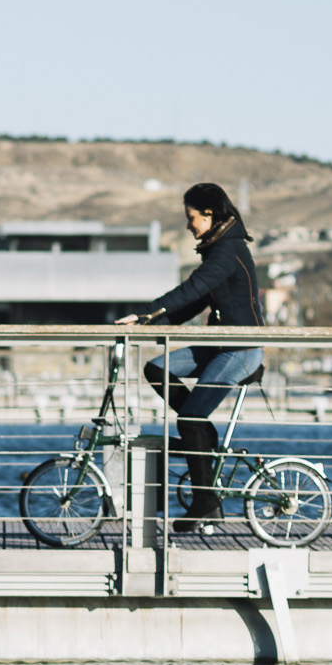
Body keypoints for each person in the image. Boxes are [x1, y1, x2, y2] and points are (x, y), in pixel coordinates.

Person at [115, 183, 265, 518]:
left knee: (190, 419)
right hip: (220, 345)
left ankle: (205, 504)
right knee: (157, 368)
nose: (188, 225)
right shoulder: (219, 248)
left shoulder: (228, 249)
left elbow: (192, 288)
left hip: (240, 348)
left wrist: (145, 312)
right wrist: (147, 324)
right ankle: (203, 436)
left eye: (191, 217)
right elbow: (193, 302)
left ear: (209, 215)